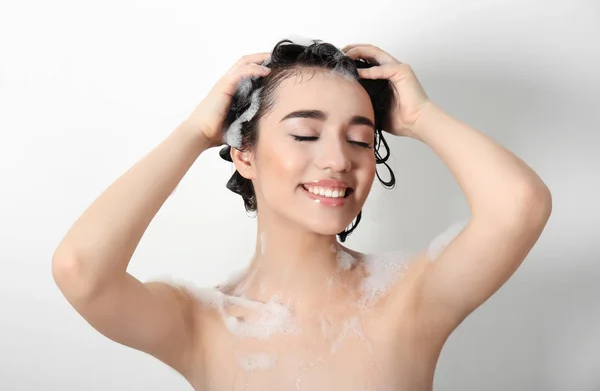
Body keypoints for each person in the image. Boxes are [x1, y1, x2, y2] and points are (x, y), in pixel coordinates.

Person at [51, 38, 552, 390]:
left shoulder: (410, 298)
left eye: (360, 139)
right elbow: (81, 271)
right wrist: (195, 133)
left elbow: (519, 206)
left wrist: (421, 117)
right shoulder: (201, 324)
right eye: (305, 135)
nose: (338, 159)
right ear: (243, 154)